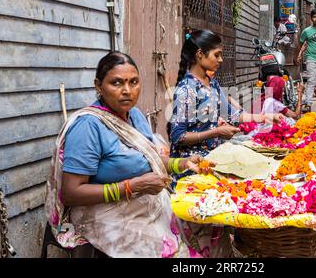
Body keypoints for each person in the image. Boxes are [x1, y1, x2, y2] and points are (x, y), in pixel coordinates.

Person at [44, 51, 216, 257]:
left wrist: (183, 163)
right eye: (116, 83)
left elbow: (146, 158)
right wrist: (131, 187)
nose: (127, 90)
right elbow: (72, 193)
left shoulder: (134, 115)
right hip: (103, 213)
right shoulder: (88, 126)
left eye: (134, 82)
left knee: (207, 226)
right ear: (98, 86)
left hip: (140, 205)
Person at [170, 29, 283, 175]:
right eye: (216, 55)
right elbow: (178, 137)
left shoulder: (213, 85)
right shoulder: (186, 89)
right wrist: (215, 132)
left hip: (213, 160)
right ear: (199, 55)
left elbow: (233, 115)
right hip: (193, 167)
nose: (221, 60)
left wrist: (264, 117)